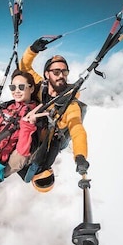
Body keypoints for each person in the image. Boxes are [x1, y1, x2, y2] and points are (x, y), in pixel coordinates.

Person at [18, 37, 90, 191]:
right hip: (38, 129)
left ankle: (40, 177)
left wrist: (80, 156)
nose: (61, 75)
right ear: (46, 74)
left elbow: (76, 127)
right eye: (56, 71)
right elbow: (24, 69)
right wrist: (32, 50)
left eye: (64, 71)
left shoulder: (69, 103)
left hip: (51, 138)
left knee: (30, 162)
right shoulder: (41, 85)